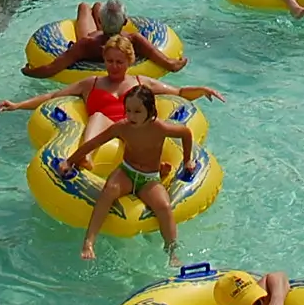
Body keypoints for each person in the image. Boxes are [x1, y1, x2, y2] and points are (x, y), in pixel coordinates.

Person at [0, 34, 223, 154]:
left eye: (119, 62)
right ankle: (85, 157)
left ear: (129, 61)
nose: (114, 66)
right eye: (109, 61)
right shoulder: (90, 83)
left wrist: (202, 90)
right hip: (101, 133)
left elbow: (179, 92)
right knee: (97, 116)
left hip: (134, 132)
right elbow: (52, 97)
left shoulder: (140, 82)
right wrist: (18, 105)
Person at [58, 83, 200, 260]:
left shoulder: (160, 128)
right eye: (128, 110)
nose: (131, 116)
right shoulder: (122, 127)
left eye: (137, 111)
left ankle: (172, 252)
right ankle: (89, 242)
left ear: (150, 110)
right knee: (108, 191)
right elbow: (94, 143)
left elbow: (186, 133)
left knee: (164, 206)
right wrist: (69, 161)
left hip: (149, 178)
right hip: (127, 171)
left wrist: (187, 160)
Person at [22, 0, 186, 77]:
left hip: (97, 38)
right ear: (126, 22)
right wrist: (181, 60)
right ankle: (102, 11)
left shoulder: (87, 43)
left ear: (99, 21)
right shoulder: (134, 40)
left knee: (84, 7)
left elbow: (51, 69)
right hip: (112, 35)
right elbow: (170, 64)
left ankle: (98, 11)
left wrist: (29, 71)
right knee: (98, 6)